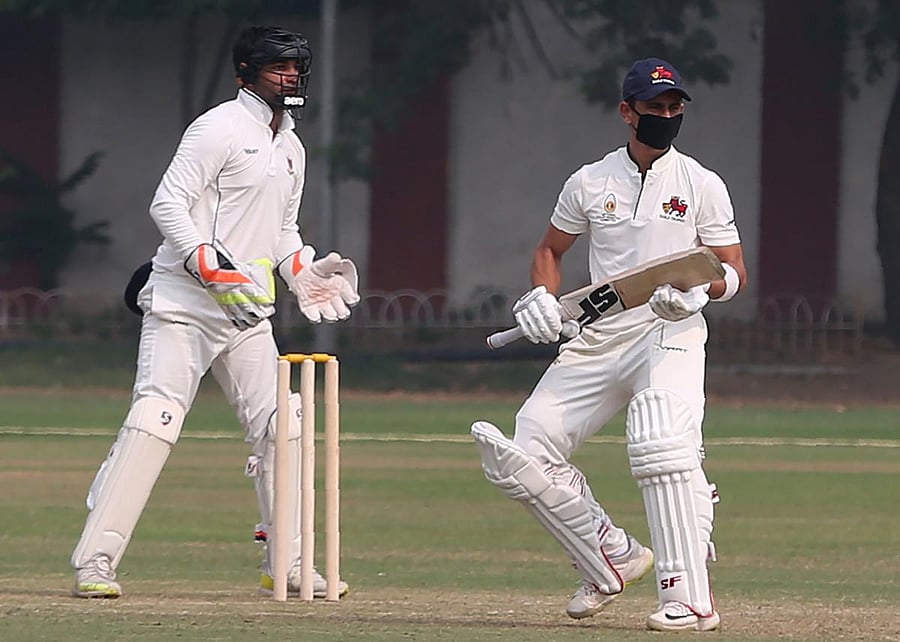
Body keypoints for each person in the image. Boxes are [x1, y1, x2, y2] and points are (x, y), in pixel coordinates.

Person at [71, 25, 360, 600]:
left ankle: (290, 564)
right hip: (184, 305)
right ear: (246, 73)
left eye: (296, 68)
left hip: (247, 314)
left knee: (286, 426)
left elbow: (281, 230)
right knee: (156, 421)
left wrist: (301, 270)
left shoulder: (292, 146)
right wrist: (209, 265)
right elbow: (168, 203)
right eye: (279, 67)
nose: (291, 77)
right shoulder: (218, 127)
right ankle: (95, 562)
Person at [471, 57, 746, 632]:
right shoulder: (591, 181)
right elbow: (550, 251)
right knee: (527, 450)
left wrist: (700, 296)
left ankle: (689, 597)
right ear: (627, 112)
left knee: (662, 446)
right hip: (600, 335)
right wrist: (543, 298)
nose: (666, 117)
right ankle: (611, 555)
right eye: (654, 108)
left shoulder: (702, 183)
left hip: (668, 329)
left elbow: (731, 271)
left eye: (675, 108)